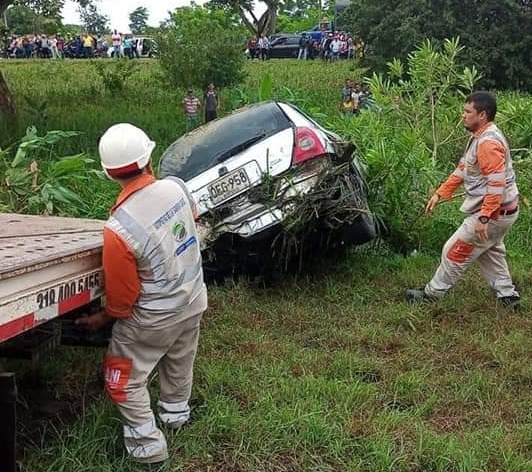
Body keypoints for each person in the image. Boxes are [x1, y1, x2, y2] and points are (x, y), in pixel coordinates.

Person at [76, 123, 207, 467]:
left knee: (123, 380)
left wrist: (101, 318)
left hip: (154, 318)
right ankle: (176, 415)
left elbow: (122, 300)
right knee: (179, 360)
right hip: (193, 300)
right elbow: (192, 222)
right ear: (149, 157)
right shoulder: (176, 188)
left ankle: (148, 449)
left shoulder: (119, 228)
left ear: (108, 173)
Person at [406, 92, 521, 309]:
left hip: (494, 213)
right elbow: (462, 170)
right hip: (503, 211)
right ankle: (509, 297)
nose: (463, 116)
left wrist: (485, 218)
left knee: (454, 250)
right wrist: (440, 193)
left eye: (468, 112)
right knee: (490, 252)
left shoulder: (487, 143)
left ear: (483, 115)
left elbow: (496, 184)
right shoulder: (479, 137)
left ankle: (432, 294)